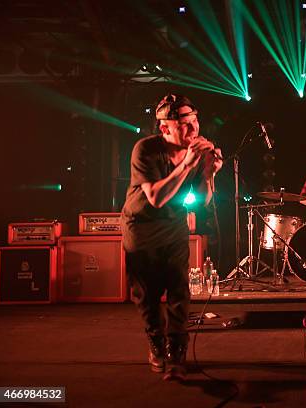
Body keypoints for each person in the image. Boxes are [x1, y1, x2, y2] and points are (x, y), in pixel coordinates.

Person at [121, 93, 222, 381]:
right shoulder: (146, 150)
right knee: (147, 297)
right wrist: (189, 164)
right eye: (185, 125)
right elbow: (155, 197)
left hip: (174, 225)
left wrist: (209, 173)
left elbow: (201, 201)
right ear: (165, 128)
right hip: (141, 227)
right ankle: (156, 343)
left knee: (180, 291)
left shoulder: (196, 152)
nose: (193, 130)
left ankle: (177, 352)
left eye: (195, 122)